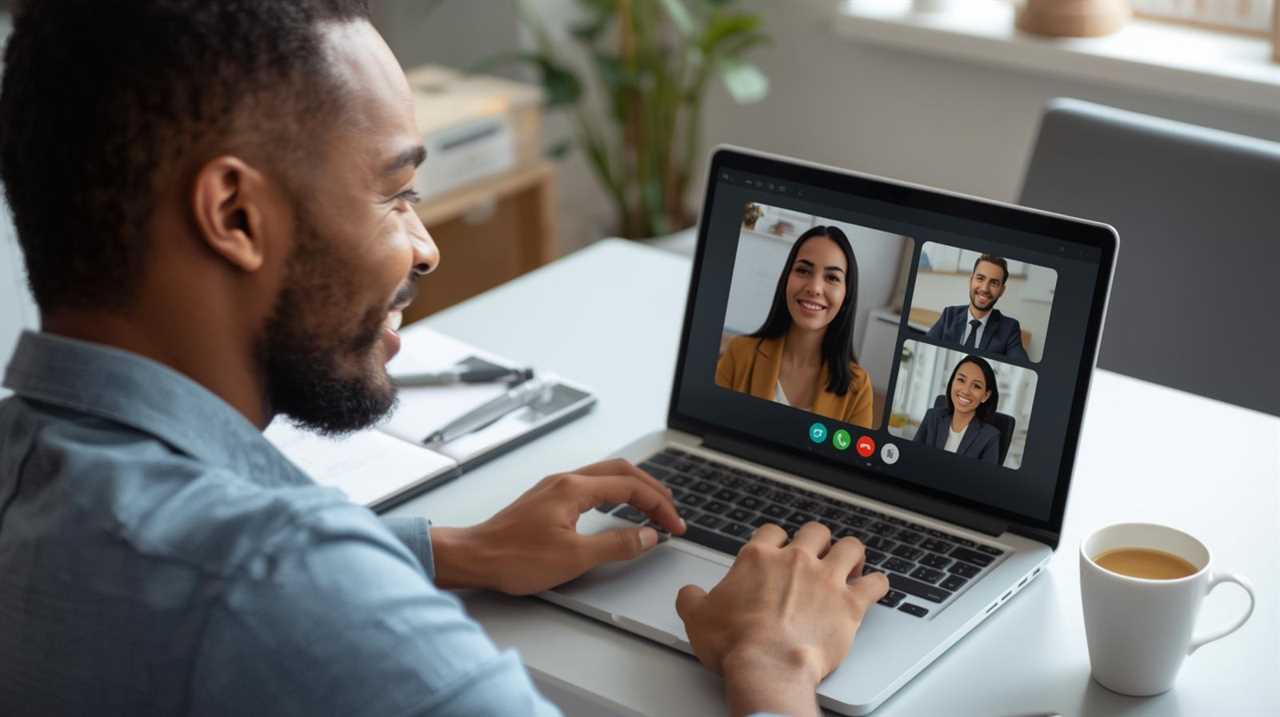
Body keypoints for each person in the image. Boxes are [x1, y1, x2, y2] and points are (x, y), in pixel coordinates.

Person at [0, 3, 888, 716]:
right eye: (395, 194)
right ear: (235, 217)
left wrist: (453, 547)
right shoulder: (293, 595)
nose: (425, 249)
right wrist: (774, 669)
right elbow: (273, 594)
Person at [716, 226, 874, 428]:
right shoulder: (739, 353)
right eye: (803, 270)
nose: (814, 288)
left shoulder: (858, 387)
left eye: (832, 277)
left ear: (846, 295)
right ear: (786, 280)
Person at [925, 254, 1030, 362]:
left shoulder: (1010, 329)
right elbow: (927, 347)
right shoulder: (949, 315)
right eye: (980, 278)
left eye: (994, 283)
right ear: (971, 281)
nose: (985, 288)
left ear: (1001, 291)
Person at [913, 355, 1003, 464]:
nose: (965, 391)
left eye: (976, 386)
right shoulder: (932, 416)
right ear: (952, 382)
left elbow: (984, 480)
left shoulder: (990, 437)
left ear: (985, 396)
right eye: (961, 380)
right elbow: (912, 458)